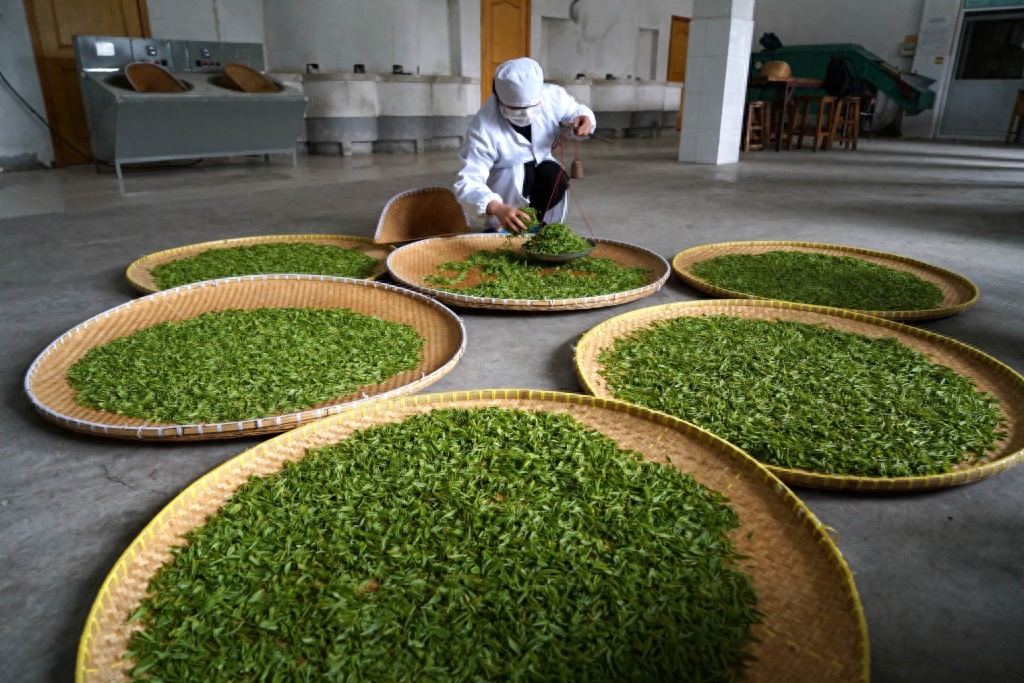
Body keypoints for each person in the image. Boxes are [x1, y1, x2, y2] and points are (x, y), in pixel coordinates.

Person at [453, 57, 596, 234]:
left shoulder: (553, 96)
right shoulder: (482, 129)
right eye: (516, 109)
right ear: (500, 100)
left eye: (532, 106)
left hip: (541, 161)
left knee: (555, 177)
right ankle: (504, 225)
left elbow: (575, 111)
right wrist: (496, 207)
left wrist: (584, 119)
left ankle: (536, 223)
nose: (527, 113)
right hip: (505, 177)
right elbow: (467, 181)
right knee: (519, 181)